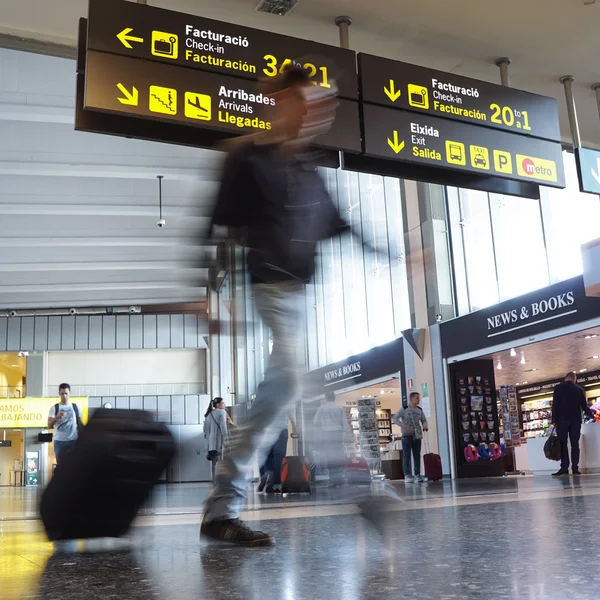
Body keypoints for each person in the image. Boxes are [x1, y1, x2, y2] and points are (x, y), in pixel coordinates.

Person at [200, 64, 354, 546]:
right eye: (306, 102)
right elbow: (211, 227)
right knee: (292, 378)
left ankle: (220, 512)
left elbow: (345, 225)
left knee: (272, 402)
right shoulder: (247, 157)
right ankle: (357, 492)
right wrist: (205, 296)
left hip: (301, 297)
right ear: (281, 101)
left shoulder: (309, 170)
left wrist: (401, 252)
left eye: (321, 107)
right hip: (269, 287)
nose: (316, 114)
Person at [551, 372, 595, 477]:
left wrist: (554, 420)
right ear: (574, 379)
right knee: (575, 444)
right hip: (575, 420)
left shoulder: (558, 388)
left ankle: (564, 468)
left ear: (566, 378)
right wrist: (593, 416)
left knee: (563, 444)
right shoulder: (579, 389)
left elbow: (555, 405)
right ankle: (575, 468)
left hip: (562, 420)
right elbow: (584, 406)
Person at [313, 392, 353, 486]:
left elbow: (315, 421)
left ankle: (332, 479)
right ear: (334, 398)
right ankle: (339, 478)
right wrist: (346, 435)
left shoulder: (321, 408)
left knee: (329, 456)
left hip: (326, 434)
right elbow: (344, 423)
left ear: (326, 398)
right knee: (338, 455)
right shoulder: (339, 408)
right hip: (338, 434)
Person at [392, 392, 429, 483]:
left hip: (417, 435)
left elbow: (424, 420)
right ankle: (407, 475)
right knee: (406, 455)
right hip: (406, 436)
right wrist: (402, 425)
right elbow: (395, 418)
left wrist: (425, 426)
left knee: (417, 455)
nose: (418, 400)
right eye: (417, 398)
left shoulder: (419, 410)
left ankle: (417, 474)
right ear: (412, 399)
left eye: (419, 398)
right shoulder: (404, 409)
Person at [258, 413, 298, 494]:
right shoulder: (282, 400)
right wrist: (294, 427)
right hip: (281, 430)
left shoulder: (262, 400)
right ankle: (277, 484)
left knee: (267, 455)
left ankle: (267, 474)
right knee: (279, 457)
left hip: (266, 430)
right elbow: (288, 412)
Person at [47, 383, 83, 465]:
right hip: (59, 442)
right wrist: (57, 417)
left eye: (66, 393)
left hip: (73, 440)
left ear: (70, 393)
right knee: (61, 466)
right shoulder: (54, 408)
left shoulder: (75, 407)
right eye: (62, 393)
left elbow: (80, 423)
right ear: (59, 394)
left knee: (74, 465)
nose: (64, 396)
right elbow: (49, 425)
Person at [204, 397, 229, 482]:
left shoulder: (208, 415)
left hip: (210, 446)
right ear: (217, 405)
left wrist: (206, 448)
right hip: (219, 443)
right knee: (222, 463)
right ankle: (222, 481)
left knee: (214, 465)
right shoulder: (222, 412)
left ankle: (215, 481)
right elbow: (223, 428)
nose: (224, 405)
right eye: (222, 403)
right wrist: (227, 441)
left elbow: (205, 432)